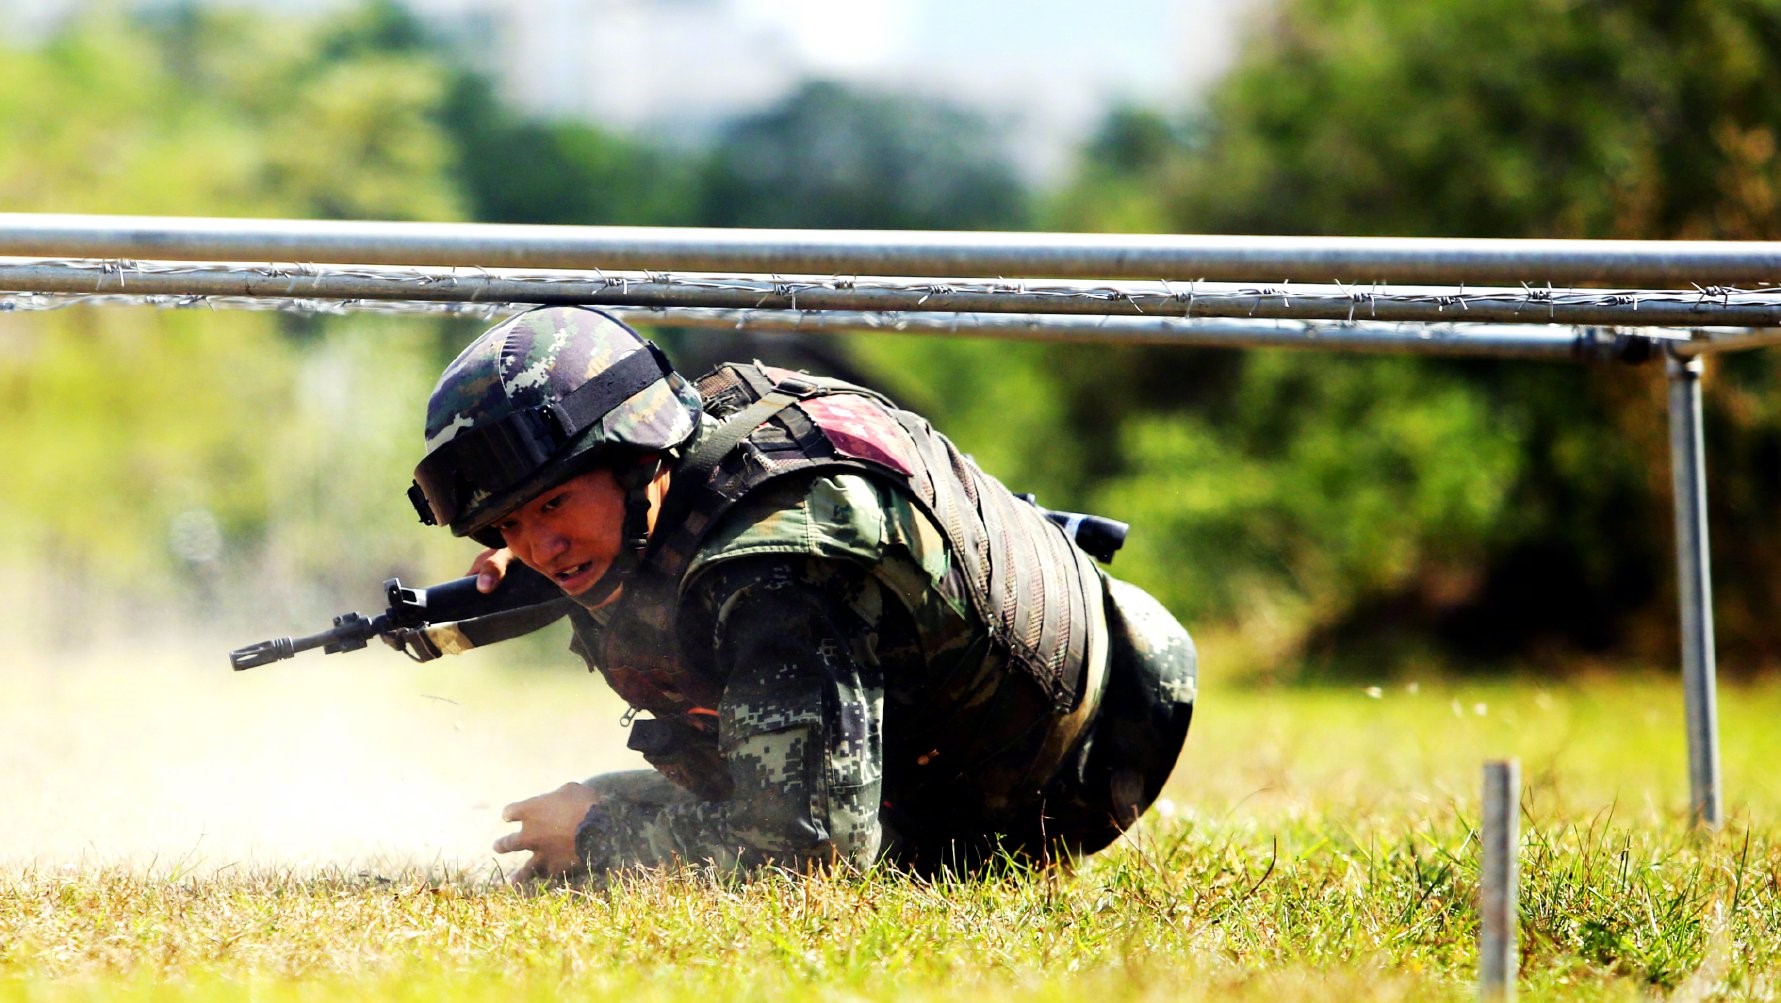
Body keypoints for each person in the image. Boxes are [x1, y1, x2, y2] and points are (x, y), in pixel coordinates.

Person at [406, 305, 1196, 881]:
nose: (538, 545)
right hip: (1003, 712)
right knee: (589, 800)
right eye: (507, 525)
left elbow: (808, 862)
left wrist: (602, 837)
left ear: (636, 458)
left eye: (554, 505)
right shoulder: (695, 444)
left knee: (587, 815)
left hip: (1061, 783)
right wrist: (554, 560)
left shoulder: (777, 574)